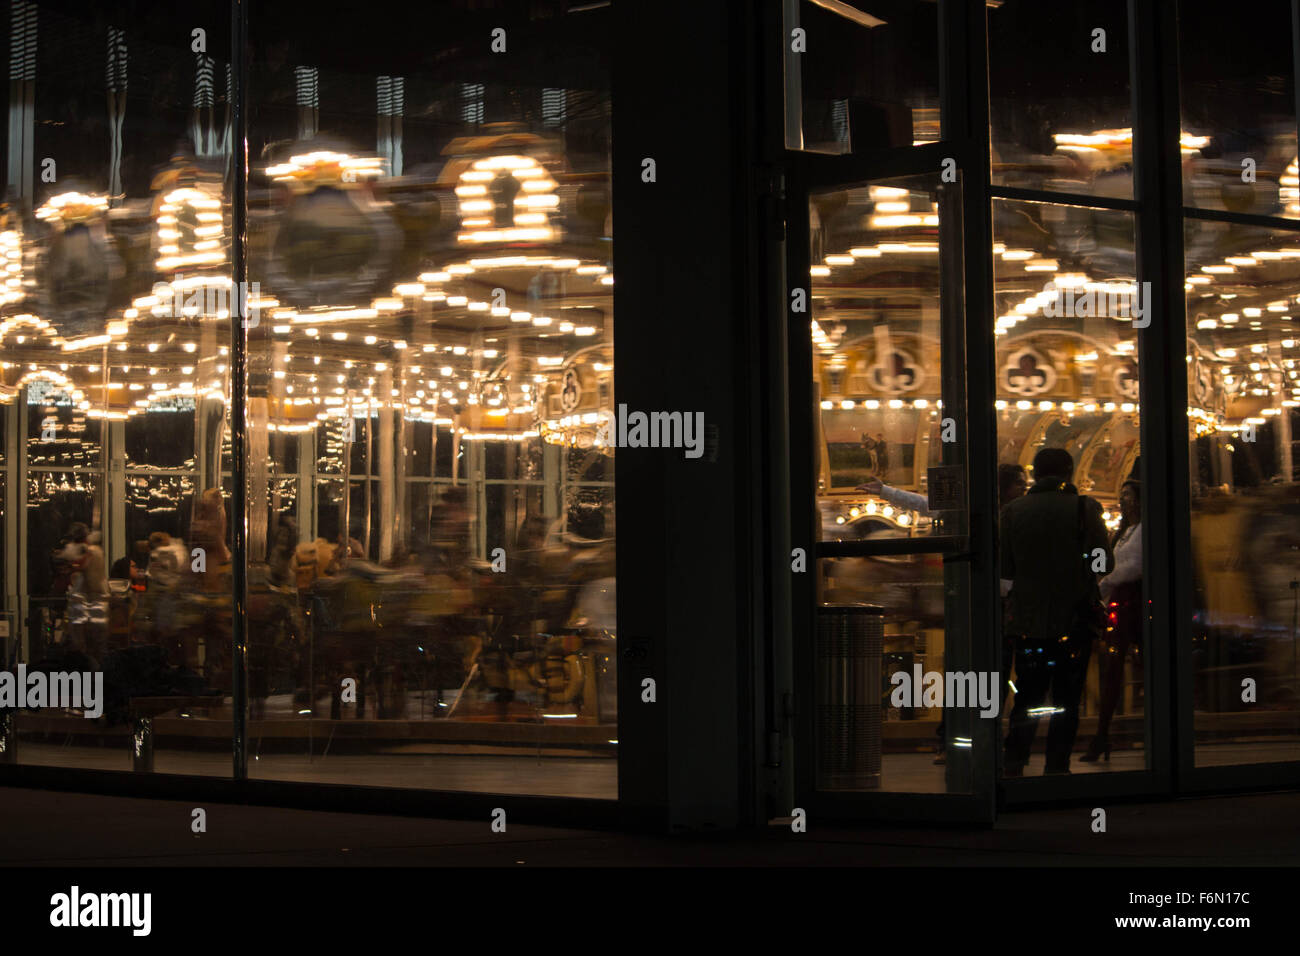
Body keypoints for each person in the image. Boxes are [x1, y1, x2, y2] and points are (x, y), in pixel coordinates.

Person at [1001, 448, 1111, 776]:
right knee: (1067, 698)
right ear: (1070, 472)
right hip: (1073, 619)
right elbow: (1104, 562)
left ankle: (1015, 760)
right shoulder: (1084, 508)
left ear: (1035, 474)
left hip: (1027, 620)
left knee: (1028, 693)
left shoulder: (1012, 511)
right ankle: (1057, 766)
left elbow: (1005, 567)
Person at [1081, 479, 1142, 762]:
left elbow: (1132, 567)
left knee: (1124, 666)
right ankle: (1103, 731)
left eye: (1129, 495)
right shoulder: (1125, 533)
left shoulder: (1142, 531)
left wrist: (1104, 584)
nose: (1125, 501)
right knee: (1112, 668)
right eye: (1123, 495)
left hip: (1136, 604)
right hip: (1120, 603)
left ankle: (1108, 732)